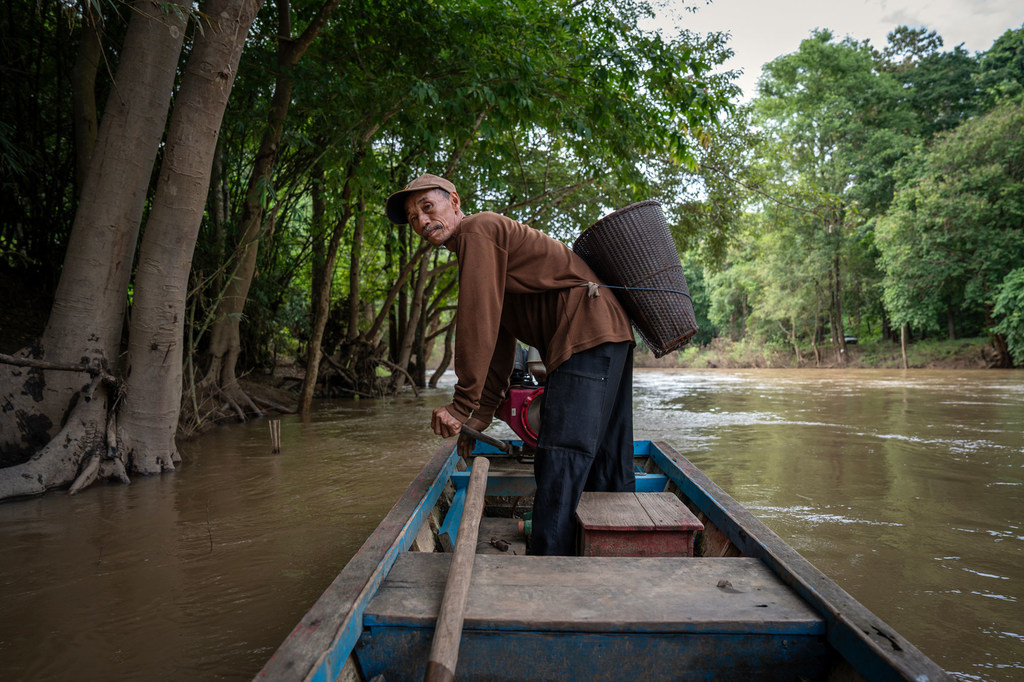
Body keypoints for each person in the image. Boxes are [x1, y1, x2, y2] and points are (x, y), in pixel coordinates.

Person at [385, 173, 636, 555]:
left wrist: (460, 404)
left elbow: (476, 321)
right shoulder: (479, 248)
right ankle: (622, 546)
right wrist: (479, 416)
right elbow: (500, 340)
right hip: (608, 333)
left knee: (562, 453)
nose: (421, 221)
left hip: (585, 331)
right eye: (413, 217)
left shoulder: (477, 231)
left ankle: (547, 561)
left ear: (454, 201)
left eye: (426, 207)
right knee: (608, 453)